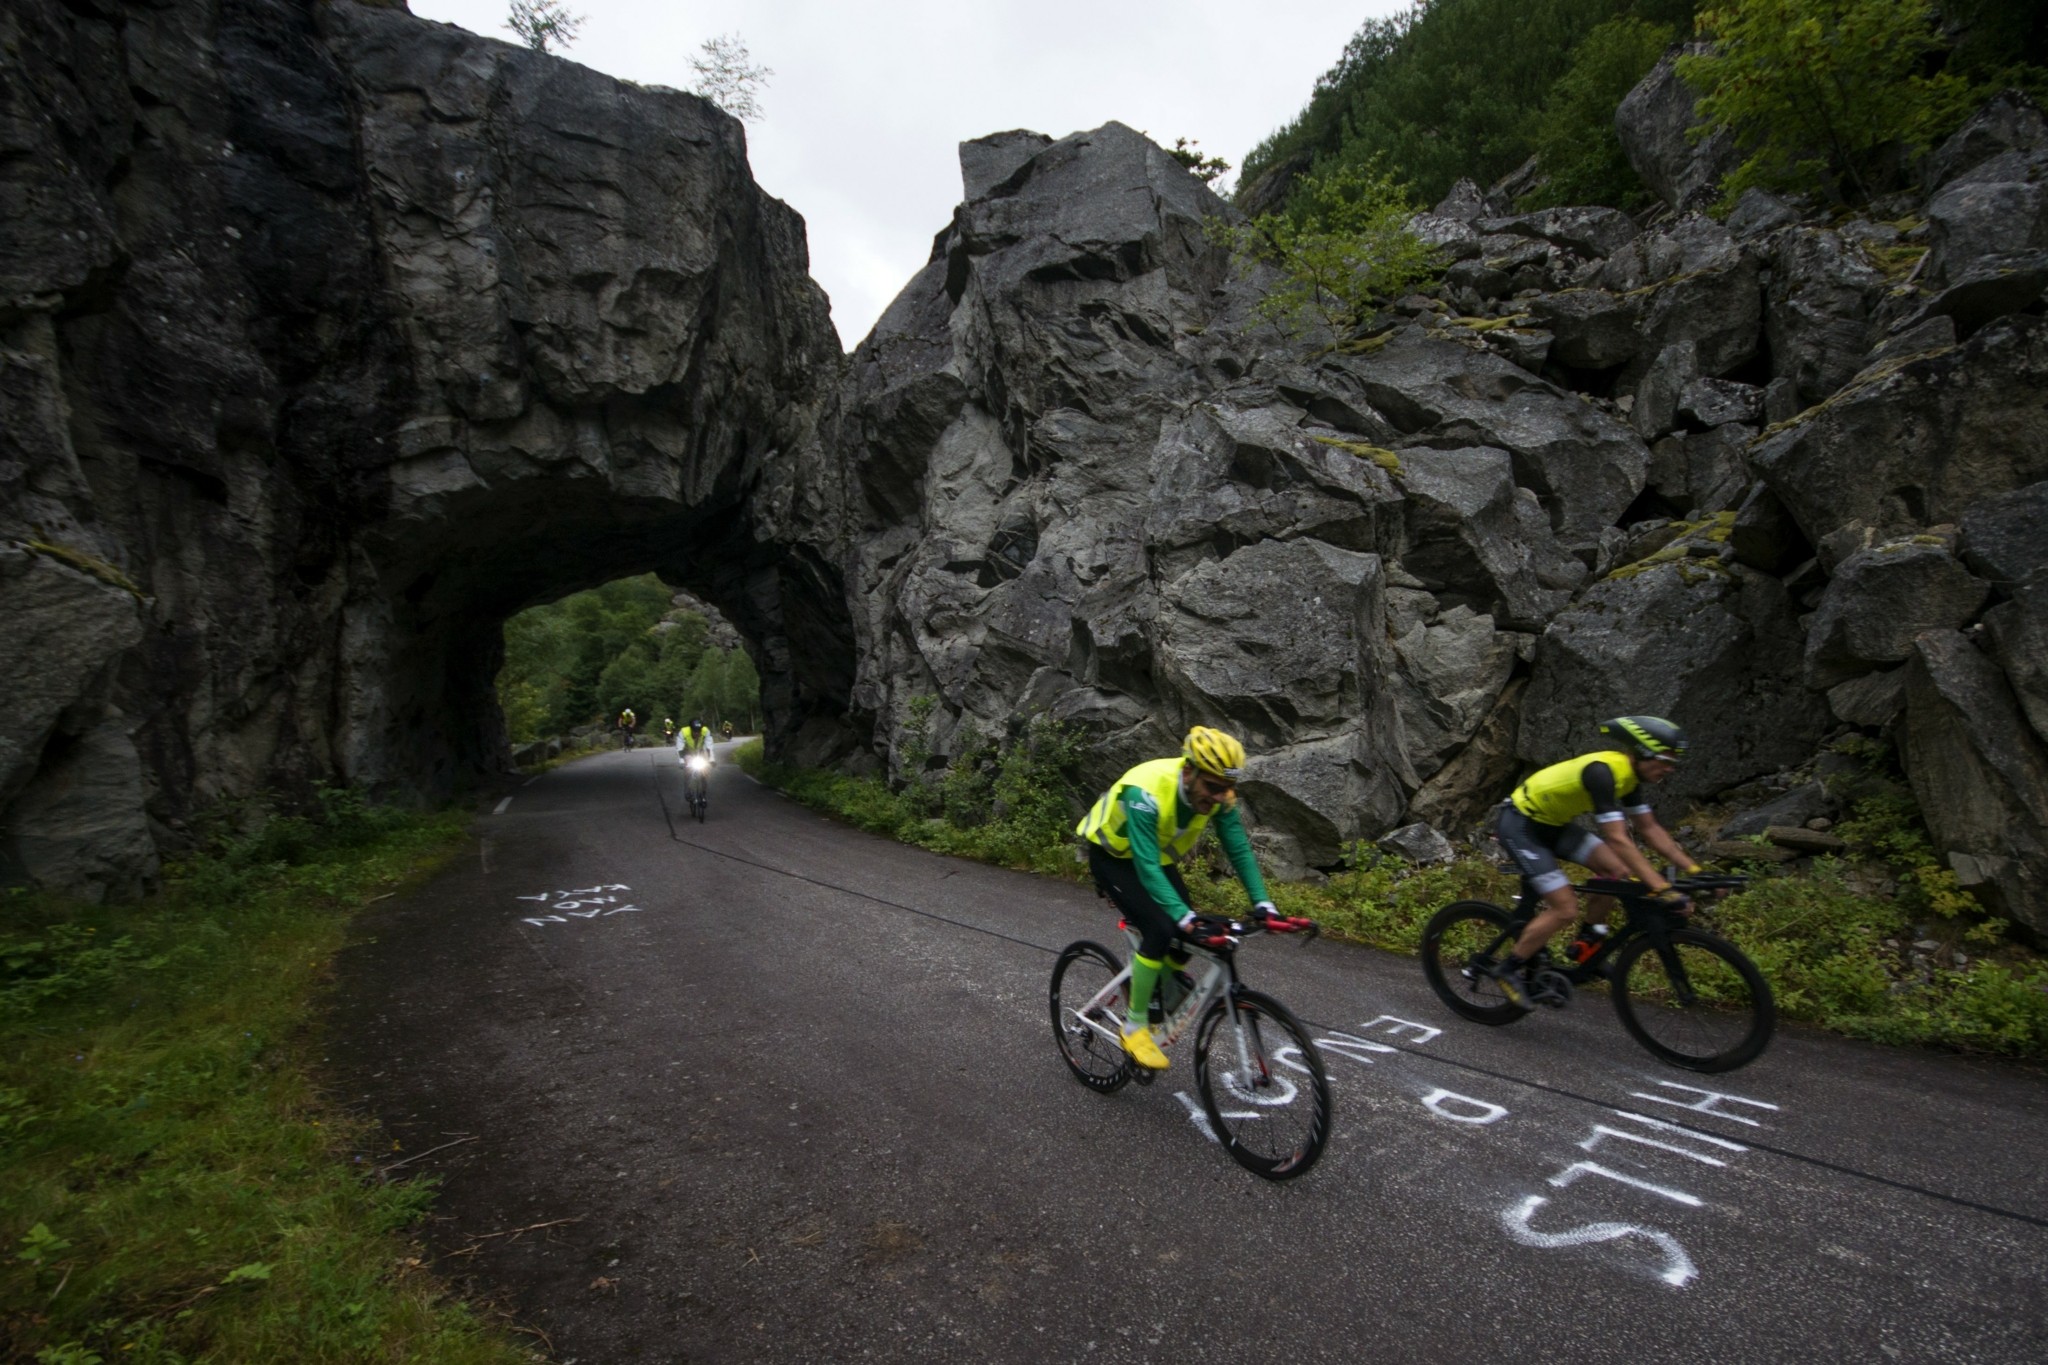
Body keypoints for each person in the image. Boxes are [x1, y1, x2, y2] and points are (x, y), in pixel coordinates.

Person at [1076, 725, 1278, 1071]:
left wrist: (1264, 903)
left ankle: (1158, 984)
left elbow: (1239, 849)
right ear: (1188, 772)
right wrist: (1182, 917)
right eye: (1212, 787)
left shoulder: (1220, 796)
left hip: (1156, 858)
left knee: (1185, 933)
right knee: (1160, 928)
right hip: (1115, 857)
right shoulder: (1147, 789)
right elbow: (1146, 864)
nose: (1219, 797)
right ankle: (1135, 1026)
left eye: (1227, 789)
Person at [1487, 715, 1705, 1009]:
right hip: (1520, 824)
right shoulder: (1602, 772)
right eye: (1665, 759)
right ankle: (1508, 968)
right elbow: (1618, 838)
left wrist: (1693, 869)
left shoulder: (1630, 779)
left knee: (1616, 872)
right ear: (1642, 751)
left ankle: (1589, 943)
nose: (1670, 768)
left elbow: (1650, 829)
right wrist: (1661, 887)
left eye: (1673, 762)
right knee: (1565, 907)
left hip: (1553, 825)